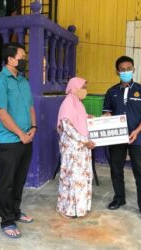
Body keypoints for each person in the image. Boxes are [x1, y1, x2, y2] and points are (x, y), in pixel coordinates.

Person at [0, 42, 36, 238]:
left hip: (26, 138)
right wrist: (20, 134)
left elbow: (31, 107)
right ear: (10, 59)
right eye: (22, 57)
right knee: (7, 182)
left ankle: (15, 212)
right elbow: (1, 112)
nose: (25, 60)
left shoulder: (23, 81)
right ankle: (6, 220)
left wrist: (33, 127)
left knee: (19, 179)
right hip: (8, 141)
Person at [102, 56, 141, 222]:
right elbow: (107, 112)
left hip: (137, 137)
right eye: (122, 69)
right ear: (117, 71)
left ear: (133, 70)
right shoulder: (111, 92)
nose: (125, 71)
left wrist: (137, 130)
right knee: (116, 168)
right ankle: (119, 198)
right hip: (117, 137)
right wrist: (107, 117)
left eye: (128, 68)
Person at [56, 77, 95, 218]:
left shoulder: (77, 103)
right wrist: (85, 141)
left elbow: (79, 119)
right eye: (83, 87)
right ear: (75, 87)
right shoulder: (68, 103)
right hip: (73, 148)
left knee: (81, 178)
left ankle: (80, 208)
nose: (85, 90)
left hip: (81, 148)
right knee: (72, 178)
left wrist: (88, 117)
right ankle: (68, 209)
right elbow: (68, 128)